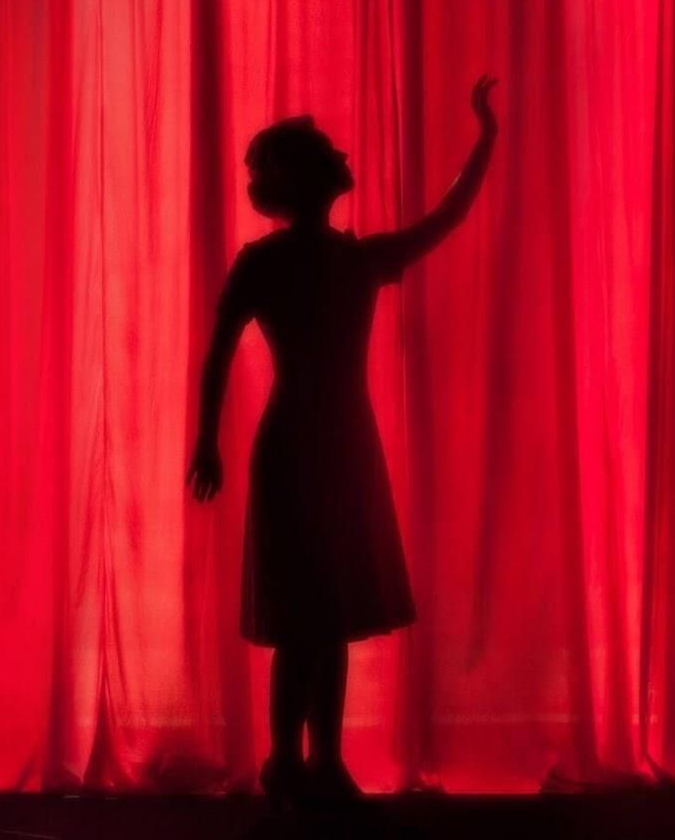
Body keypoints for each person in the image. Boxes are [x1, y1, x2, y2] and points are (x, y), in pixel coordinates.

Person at [187, 77, 498, 808]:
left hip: (325, 444)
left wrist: (485, 137)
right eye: (326, 152)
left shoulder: (313, 260)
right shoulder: (312, 262)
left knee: (322, 621)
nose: (341, 154)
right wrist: (204, 440)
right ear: (302, 179)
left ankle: (310, 762)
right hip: (313, 446)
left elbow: (218, 356)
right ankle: (294, 763)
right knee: (311, 618)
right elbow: (218, 354)